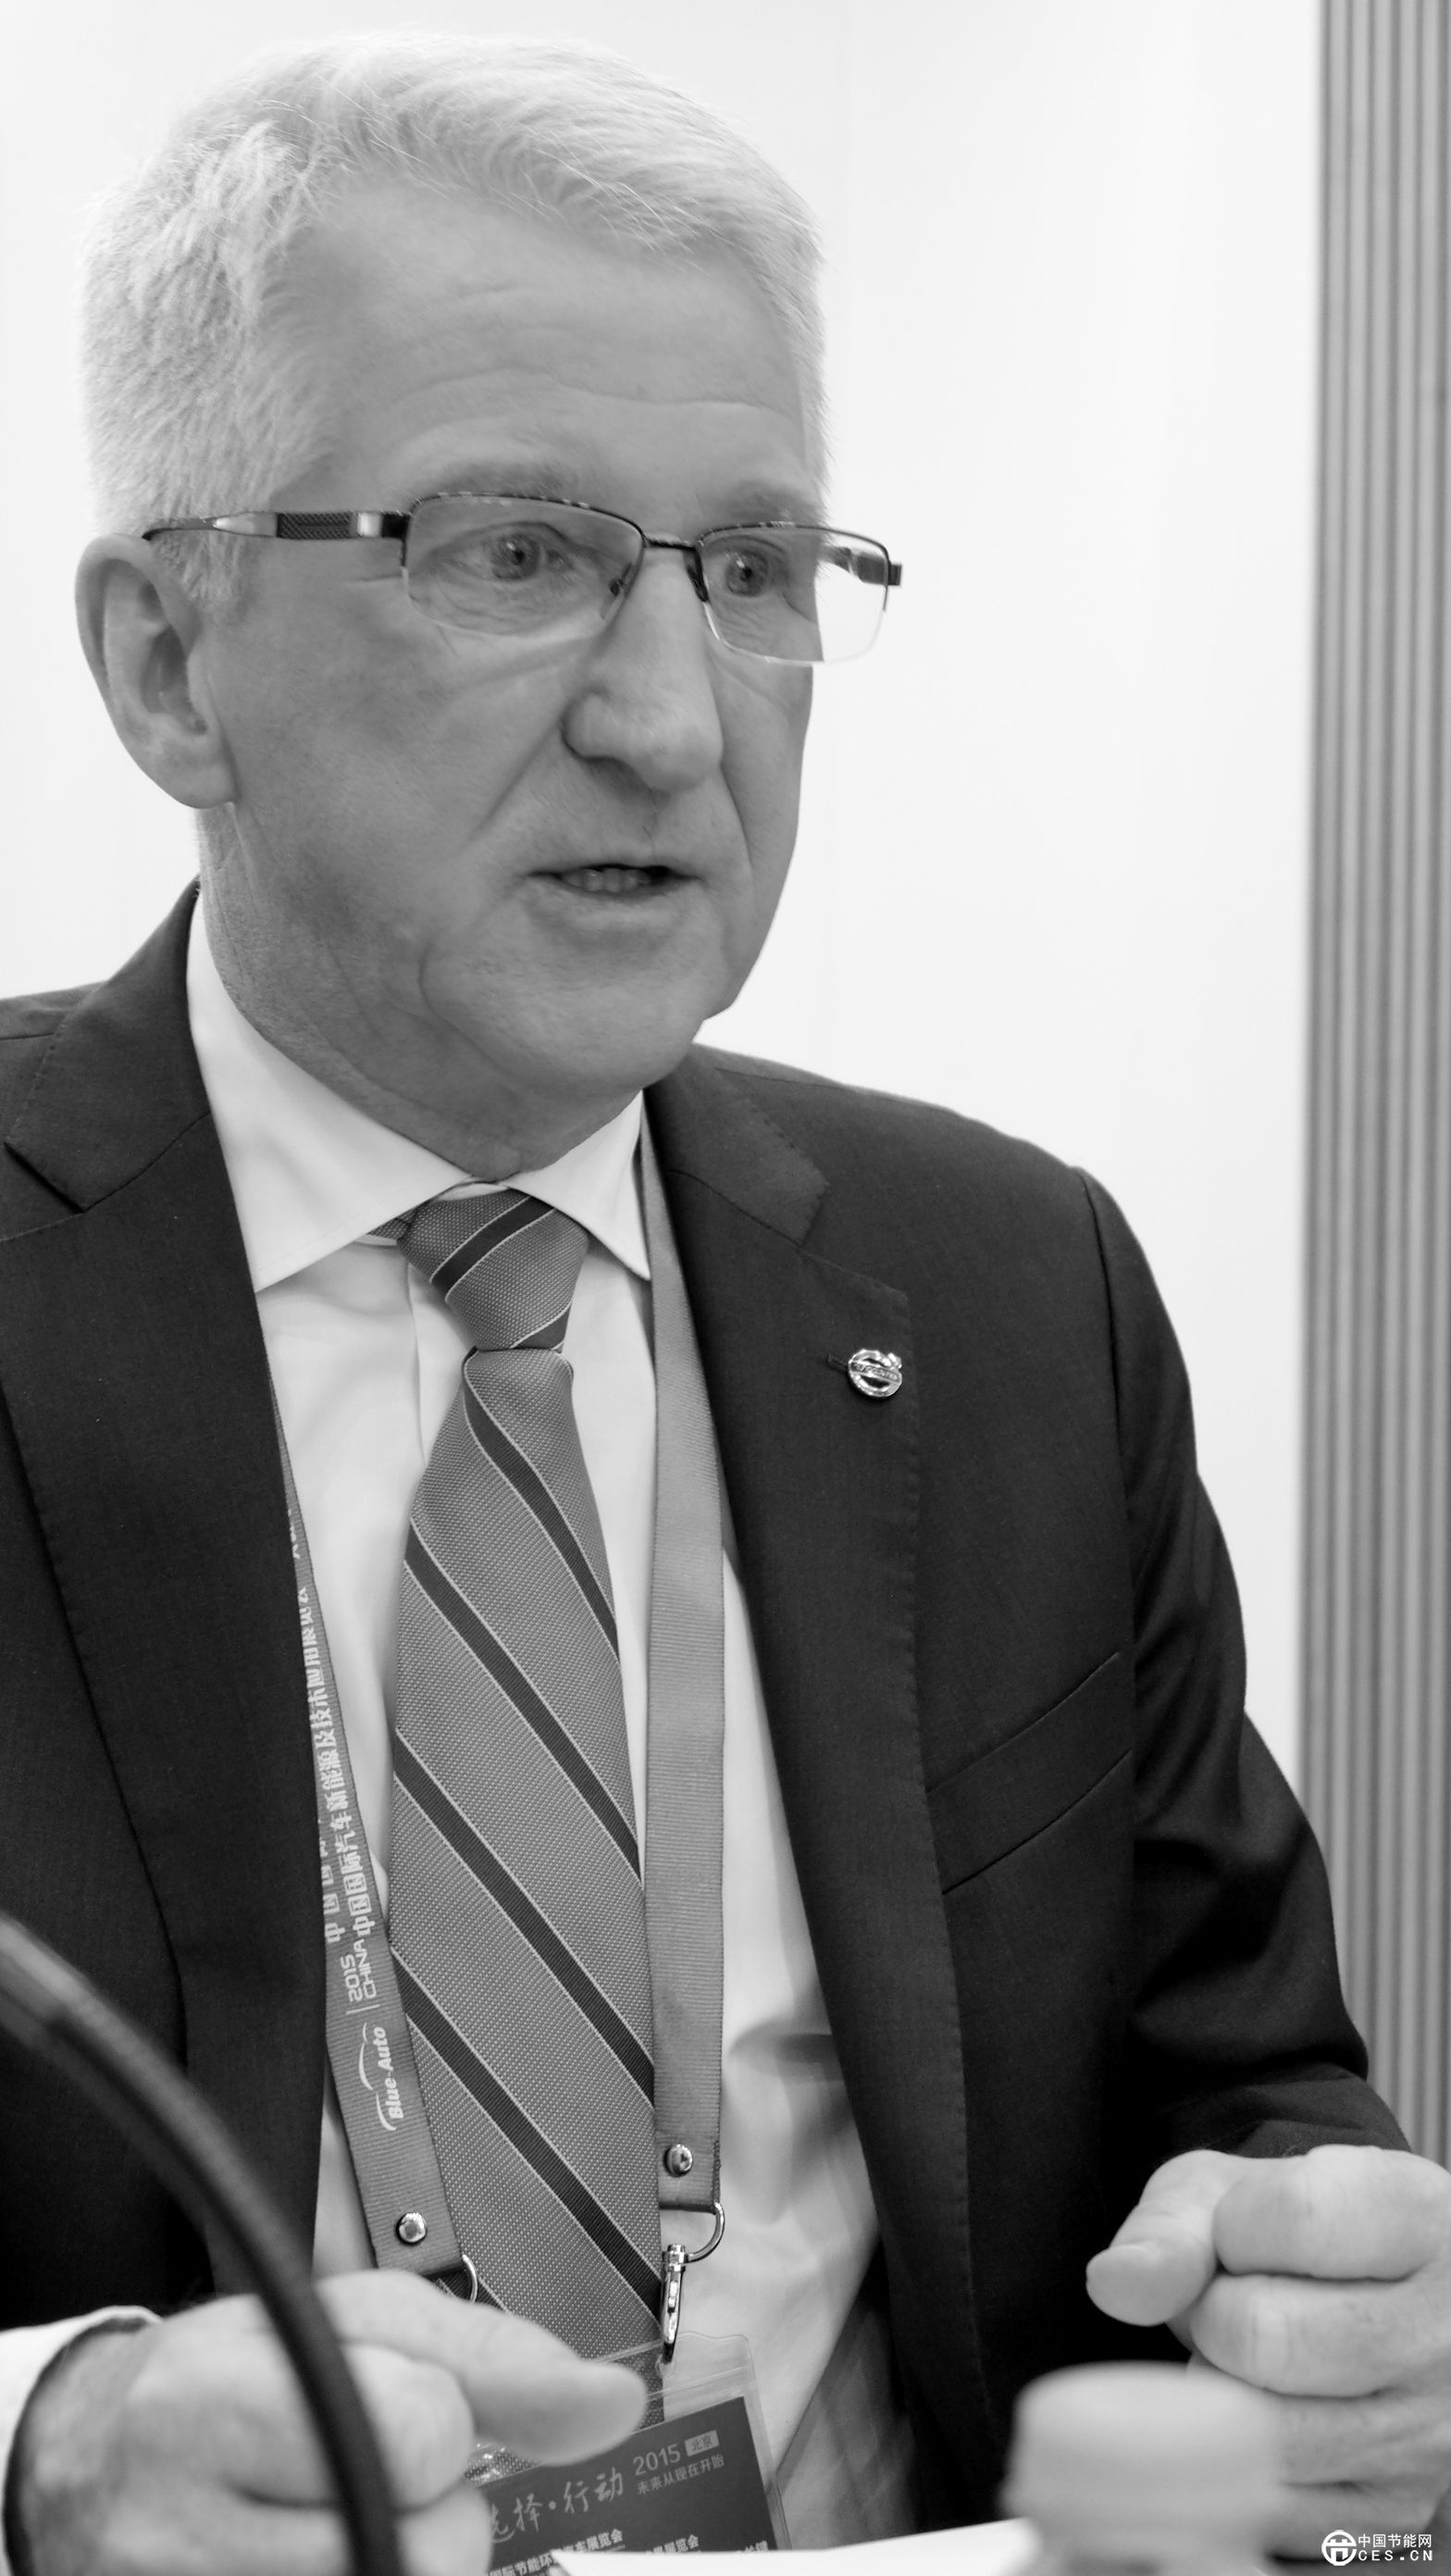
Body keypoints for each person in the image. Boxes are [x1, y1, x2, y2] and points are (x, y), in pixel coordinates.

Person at [0, 32, 1447, 2575]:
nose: (675, 721)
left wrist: (1331, 2313)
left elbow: (1242, 2105)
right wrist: (47, 2446)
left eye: (758, 573)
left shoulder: (1009, 1293)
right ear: (166, 663)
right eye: (512, 554)